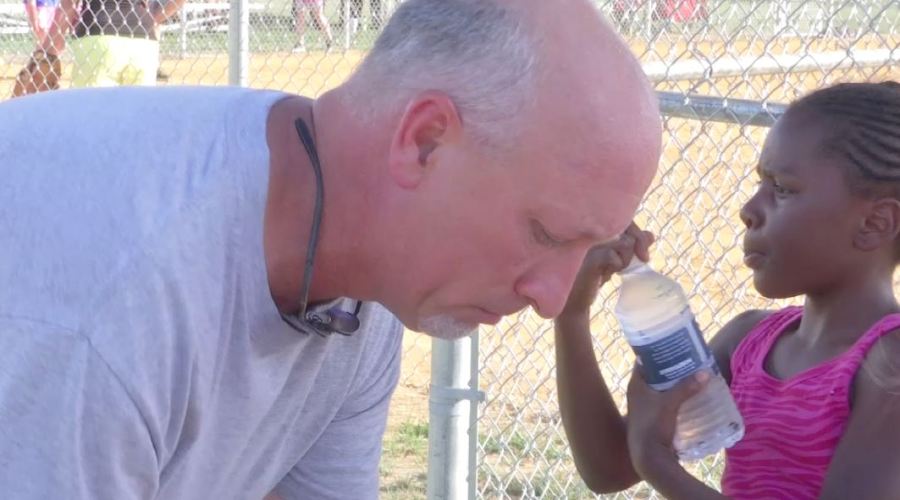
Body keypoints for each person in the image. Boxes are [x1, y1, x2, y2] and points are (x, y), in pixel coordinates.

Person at [0, 0, 662, 498]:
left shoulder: (357, 293)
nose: (552, 298)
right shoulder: (118, 301)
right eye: (545, 234)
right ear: (424, 139)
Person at [555, 81, 900, 499]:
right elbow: (607, 469)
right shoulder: (749, 340)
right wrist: (572, 314)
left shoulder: (889, 366)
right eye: (760, 184)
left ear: (875, 224)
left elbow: (643, 457)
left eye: (783, 189)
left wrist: (659, 464)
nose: (749, 210)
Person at [39, 0, 185, 87]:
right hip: (144, 43)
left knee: (90, 118)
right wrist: (152, 20)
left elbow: (68, 6)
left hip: (99, 37)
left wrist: (48, 50)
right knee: (138, 123)